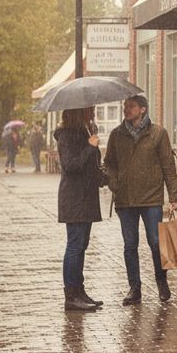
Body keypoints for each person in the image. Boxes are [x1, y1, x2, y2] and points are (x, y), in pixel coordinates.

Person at [104, 95, 177, 305]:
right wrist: (114, 181)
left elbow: (168, 166)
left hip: (151, 198)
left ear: (143, 110)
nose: (126, 109)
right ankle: (134, 288)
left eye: (131, 106)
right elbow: (109, 162)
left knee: (156, 243)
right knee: (130, 245)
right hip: (125, 199)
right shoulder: (116, 135)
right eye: (125, 106)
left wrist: (174, 196)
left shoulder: (157, 133)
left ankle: (161, 281)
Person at [55, 107, 105, 312]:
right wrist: (90, 147)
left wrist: (103, 177)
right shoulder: (66, 135)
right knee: (74, 245)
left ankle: (79, 290)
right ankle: (71, 295)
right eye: (90, 109)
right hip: (74, 198)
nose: (93, 112)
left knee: (82, 245)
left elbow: (89, 166)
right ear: (79, 112)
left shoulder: (85, 131)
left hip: (86, 197)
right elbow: (71, 165)